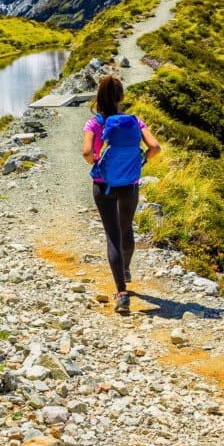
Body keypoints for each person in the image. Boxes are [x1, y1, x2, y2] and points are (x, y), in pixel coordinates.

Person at [82, 75, 161, 314]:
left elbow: (86, 152)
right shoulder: (135, 121)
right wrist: (140, 161)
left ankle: (122, 292)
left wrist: (97, 161)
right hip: (130, 184)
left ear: (99, 98)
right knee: (126, 229)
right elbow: (155, 148)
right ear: (121, 98)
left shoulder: (94, 124)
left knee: (112, 235)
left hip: (103, 185)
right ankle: (125, 268)